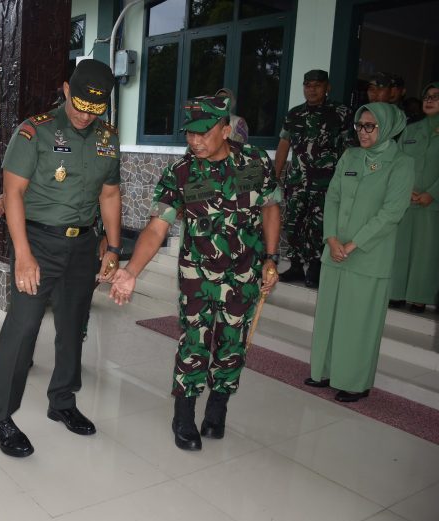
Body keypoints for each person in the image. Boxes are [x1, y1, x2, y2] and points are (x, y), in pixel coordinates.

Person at [110, 95, 281, 452]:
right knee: (194, 343)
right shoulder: (181, 173)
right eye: (189, 133)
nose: (194, 141)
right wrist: (131, 271)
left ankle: (218, 407)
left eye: (203, 133)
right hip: (198, 276)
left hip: (245, 274)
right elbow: (157, 228)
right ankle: (184, 414)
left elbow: (270, 208)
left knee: (233, 343)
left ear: (224, 127)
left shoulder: (254, 163)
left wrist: (271, 258)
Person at [0, 59, 122, 458]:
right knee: (23, 327)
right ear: (66, 89)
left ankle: (62, 400)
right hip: (39, 242)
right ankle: (1, 417)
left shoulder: (107, 137)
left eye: (94, 110)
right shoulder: (35, 131)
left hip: (83, 245)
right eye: (79, 105)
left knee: (72, 326)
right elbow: (12, 194)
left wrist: (113, 247)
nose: (84, 115)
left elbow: (110, 194)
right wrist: (23, 254)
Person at [306, 103, 414, 401]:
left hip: (368, 254)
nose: (363, 132)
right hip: (336, 251)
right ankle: (324, 371)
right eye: (359, 126)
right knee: (330, 315)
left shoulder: (401, 162)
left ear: (388, 127)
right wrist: (331, 238)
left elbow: (392, 212)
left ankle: (355, 382)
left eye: (370, 126)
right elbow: (334, 198)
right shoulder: (350, 155)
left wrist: (353, 244)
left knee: (359, 321)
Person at [275, 69, 352, 288]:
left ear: (327, 87)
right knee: (293, 223)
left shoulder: (341, 112)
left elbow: (349, 149)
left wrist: (345, 181)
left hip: (327, 183)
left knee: (320, 226)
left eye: (317, 85)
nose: (312, 89)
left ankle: (316, 266)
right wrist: (275, 176)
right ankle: (297, 266)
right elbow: (283, 145)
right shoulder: (295, 114)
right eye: (308, 85)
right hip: (297, 181)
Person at [390, 82, 439, 313]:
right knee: (401, 248)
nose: (429, 100)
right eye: (427, 96)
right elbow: (397, 164)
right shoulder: (411, 130)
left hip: (433, 203)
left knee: (426, 252)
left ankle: (419, 297)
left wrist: (433, 193)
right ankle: (396, 293)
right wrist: (405, 188)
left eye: (436, 97)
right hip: (407, 200)